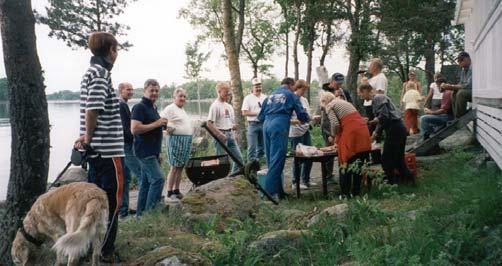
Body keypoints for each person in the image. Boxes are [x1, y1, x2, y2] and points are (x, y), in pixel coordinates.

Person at [73, 32, 124, 263]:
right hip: (107, 152)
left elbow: (88, 110)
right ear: (110, 51)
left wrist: (85, 137)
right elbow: (93, 109)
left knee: (93, 204)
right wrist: (89, 137)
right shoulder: (101, 73)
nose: (117, 53)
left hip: (96, 152)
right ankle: (105, 251)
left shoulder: (90, 73)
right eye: (116, 49)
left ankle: (90, 248)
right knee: (112, 202)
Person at [258, 77, 309, 199]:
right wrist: (308, 118)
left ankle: (279, 192)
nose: (294, 89)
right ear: (291, 85)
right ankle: (269, 194)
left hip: (266, 126)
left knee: (271, 160)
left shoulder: (269, 96)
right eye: (294, 87)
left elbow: (260, 117)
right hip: (279, 125)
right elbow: (302, 115)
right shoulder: (291, 95)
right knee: (278, 159)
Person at [359, 84, 413, 184]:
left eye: (361, 93)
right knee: (398, 158)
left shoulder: (378, 98)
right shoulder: (376, 101)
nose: (360, 95)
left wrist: (371, 123)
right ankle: (407, 180)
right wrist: (375, 133)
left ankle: (391, 182)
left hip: (395, 129)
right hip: (397, 129)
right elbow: (382, 121)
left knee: (386, 158)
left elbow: (384, 116)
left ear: (367, 90)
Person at [321, 92, 371, 199]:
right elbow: (344, 122)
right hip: (363, 131)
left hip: (352, 133)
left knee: (345, 162)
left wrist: (334, 136)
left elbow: (335, 124)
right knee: (358, 162)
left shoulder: (330, 106)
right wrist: (337, 140)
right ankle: (356, 193)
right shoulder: (344, 102)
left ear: (325, 101)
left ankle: (344, 194)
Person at [131, 79, 166, 216]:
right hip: (144, 152)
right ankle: (150, 214)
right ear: (145, 90)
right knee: (158, 179)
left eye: (157, 90)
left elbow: (153, 129)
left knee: (146, 184)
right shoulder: (139, 107)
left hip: (153, 151)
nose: (154, 93)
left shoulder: (153, 107)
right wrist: (157, 123)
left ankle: (140, 216)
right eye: (152, 90)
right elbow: (134, 129)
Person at [160, 88, 193, 202]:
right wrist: (167, 129)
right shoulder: (170, 108)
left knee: (181, 166)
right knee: (174, 166)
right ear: (174, 97)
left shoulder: (181, 109)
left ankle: (177, 190)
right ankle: (169, 192)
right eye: (180, 96)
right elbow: (162, 121)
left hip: (185, 140)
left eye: (184, 96)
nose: (183, 98)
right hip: (175, 140)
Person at [206, 82, 244, 175]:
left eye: (229, 91)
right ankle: (220, 179)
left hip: (230, 135)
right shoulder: (215, 106)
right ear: (219, 91)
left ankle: (233, 177)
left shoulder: (229, 106)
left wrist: (233, 130)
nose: (228, 93)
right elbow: (209, 124)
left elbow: (230, 122)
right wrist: (220, 134)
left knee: (239, 159)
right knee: (222, 160)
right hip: (221, 135)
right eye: (226, 92)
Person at [118, 82, 142, 218]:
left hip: (123, 145)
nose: (131, 91)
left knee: (125, 178)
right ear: (121, 90)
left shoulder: (123, 104)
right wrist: (134, 139)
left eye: (132, 89)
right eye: (128, 89)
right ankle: (138, 208)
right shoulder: (121, 105)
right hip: (125, 146)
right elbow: (125, 128)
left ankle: (123, 210)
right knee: (140, 174)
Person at [289, 80, 314, 189]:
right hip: (295, 132)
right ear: (297, 88)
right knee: (298, 157)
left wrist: (312, 119)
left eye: (305, 90)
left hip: (305, 130)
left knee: (310, 154)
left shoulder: (304, 100)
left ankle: (306, 179)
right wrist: (299, 121)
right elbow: (288, 119)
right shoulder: (291, 100)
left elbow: (307, 115)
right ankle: (296, 182)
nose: (304, 92)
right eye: (302, 89)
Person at [241, 78, 267, 163]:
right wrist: (258, 113)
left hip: (263, 124)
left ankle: (258, 167)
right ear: (252, 87)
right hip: (253, 124)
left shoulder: (265, 97)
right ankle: (250, 168)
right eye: (256, 86)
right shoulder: (248, 98)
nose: (258, 88)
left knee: (261, 148)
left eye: (259, 86)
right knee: (252, 148)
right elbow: (244, 112)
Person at [440, 51, 472, 118]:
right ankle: (456, 116)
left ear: (467, 59)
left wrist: (452, 86)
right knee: (453, 93)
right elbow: (461, 83)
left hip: (474, 91)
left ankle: (460, 116)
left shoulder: (472, 68)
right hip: (468, 90)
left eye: (461, 60)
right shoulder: (463, 70)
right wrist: (450, 86)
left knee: (461, 93)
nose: (459, 63)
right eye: (459, 61)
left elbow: (468, 85)